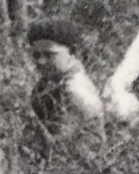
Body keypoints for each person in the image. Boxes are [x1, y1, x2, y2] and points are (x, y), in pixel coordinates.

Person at [27, 17, 104, 145]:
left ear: (72, 52)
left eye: (49, 55)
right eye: (36, 55)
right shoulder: (53, 79)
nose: (41, 61)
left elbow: (62, 144)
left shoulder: (74, 90)